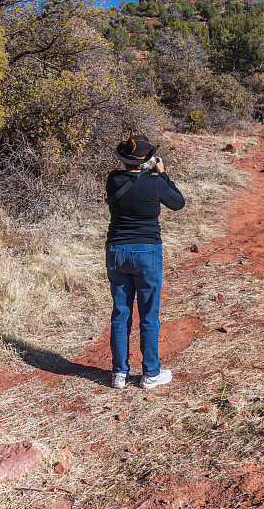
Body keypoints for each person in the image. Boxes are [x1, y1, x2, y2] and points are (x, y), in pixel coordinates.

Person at [105, 133, 185, 389]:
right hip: (147, 251)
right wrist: (162, 173)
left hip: (117, 250)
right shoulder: (155, 183)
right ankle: (151, 372)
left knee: (121, 312)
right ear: (149, 160)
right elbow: (178, 203)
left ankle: (120, 373)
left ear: (123, 159)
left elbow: (129, 179)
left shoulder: (113, 180)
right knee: (149, 314)